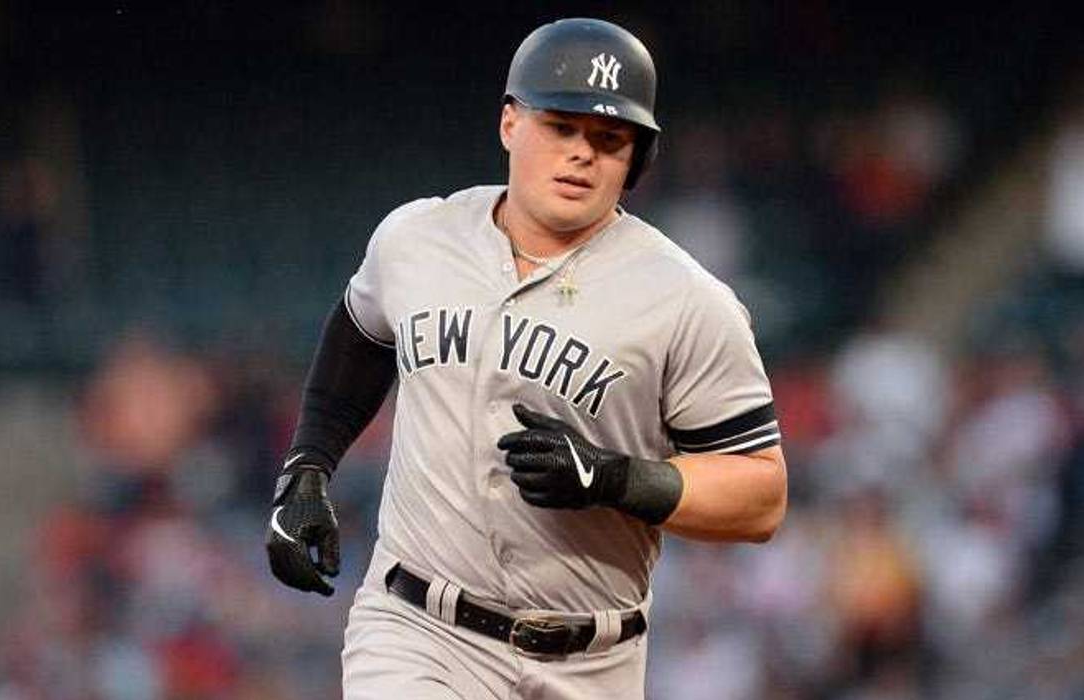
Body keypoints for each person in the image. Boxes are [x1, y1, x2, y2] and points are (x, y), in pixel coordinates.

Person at [265, 17, 787, 699]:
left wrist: (617, 479)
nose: (581, 154)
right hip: (418, 631)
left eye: (609, 139)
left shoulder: (687, 301)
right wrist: (307, 468)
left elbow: (759, 496)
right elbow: (361, 332)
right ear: (510, 122)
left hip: (591, 659)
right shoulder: (418, 239)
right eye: (560, 127)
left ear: (637, 158)